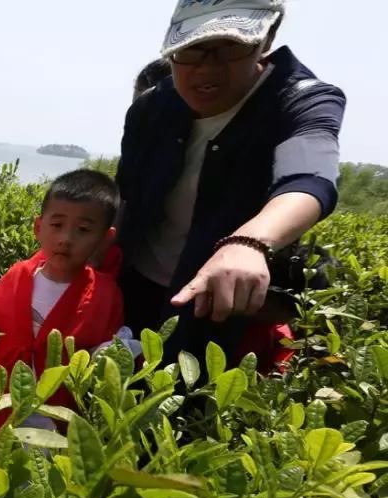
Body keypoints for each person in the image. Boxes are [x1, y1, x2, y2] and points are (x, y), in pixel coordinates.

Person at [116, 0, 345, 368]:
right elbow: (127, 198)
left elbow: (309, 178)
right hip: (134, 287)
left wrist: (248, 243)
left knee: (186, 407)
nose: (207, 67)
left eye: (230, 46)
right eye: (191, 50)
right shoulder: (150, 108)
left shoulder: (301, 100)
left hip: (216, 304)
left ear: (266, 39)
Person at [0, 170, 135, 433]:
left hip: (57, 415)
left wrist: (109, 356)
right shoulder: (20, 275)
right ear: (38, 227)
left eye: (82, 230)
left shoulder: (104, 294)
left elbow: (105, 354)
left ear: (104, 239)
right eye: (57, 225)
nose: (66, 239)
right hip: (2, 402)